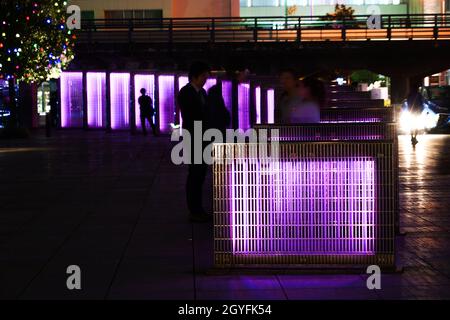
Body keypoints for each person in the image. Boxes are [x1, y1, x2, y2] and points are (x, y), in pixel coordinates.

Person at [177, 62, 211, 223]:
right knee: (195, 175)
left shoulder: (202, 92)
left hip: (202, 137)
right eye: (204, 75)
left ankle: (197, 208)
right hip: (193, 136)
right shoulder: (186, 92)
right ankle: (194, 209)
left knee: (200, 174)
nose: (206, 79)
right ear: (195, 76)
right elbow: (192, 115)